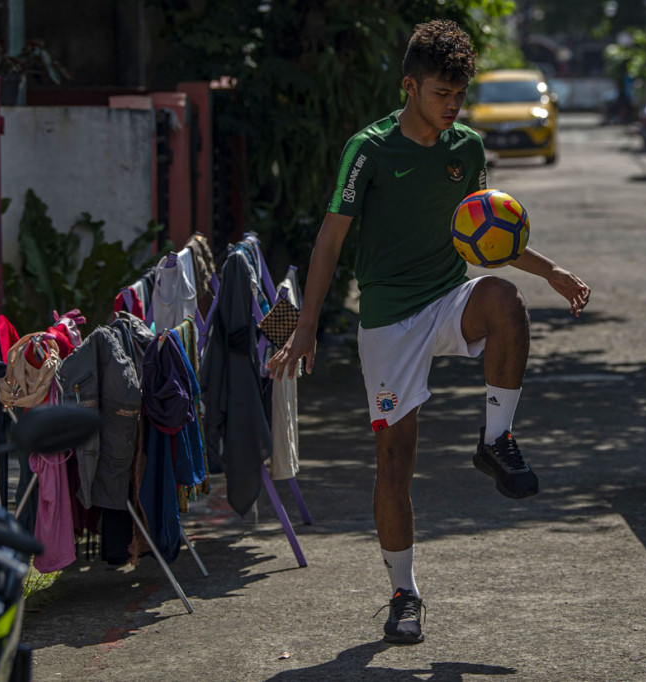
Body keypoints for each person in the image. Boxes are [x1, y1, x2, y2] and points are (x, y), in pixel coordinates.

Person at [266, 19, 590, 645]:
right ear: (409, 86)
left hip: (448, 297)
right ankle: (404, 592)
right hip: (388, 319)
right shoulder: (369, 149)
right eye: (442, 94)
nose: (453, 107)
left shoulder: (466, 147)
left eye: (459, 96)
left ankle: (496, 440)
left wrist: (550, 271)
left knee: (504, 300)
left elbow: (484, 233)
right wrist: (305, 326)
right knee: (396, 461)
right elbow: (331, 238)